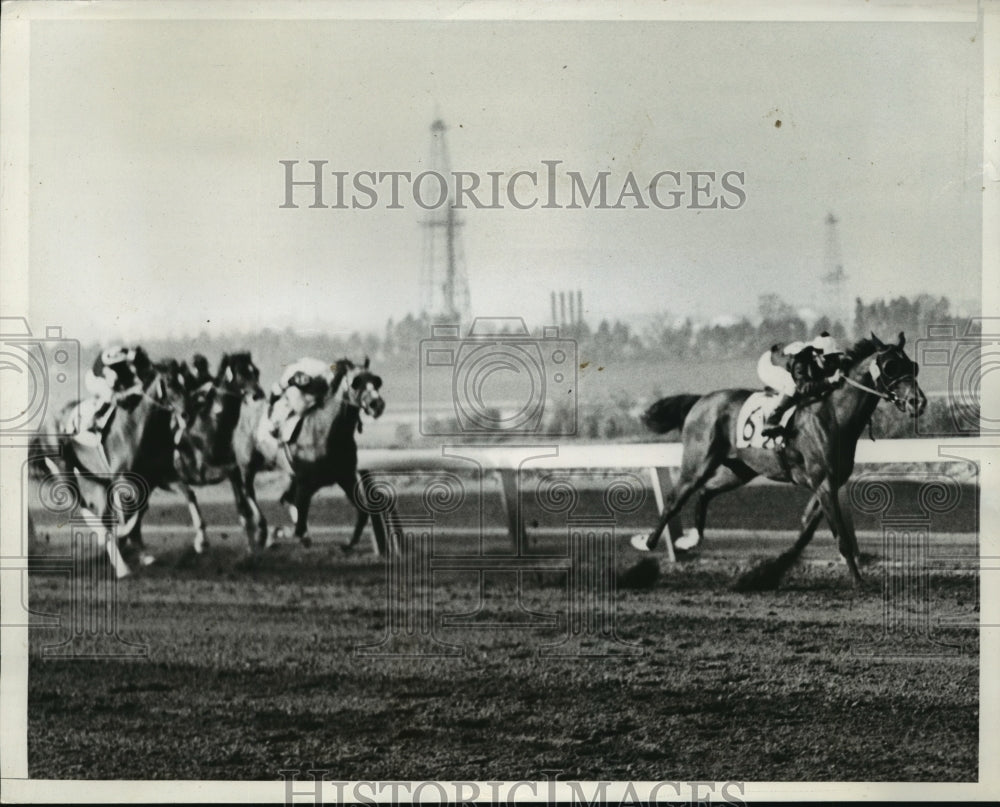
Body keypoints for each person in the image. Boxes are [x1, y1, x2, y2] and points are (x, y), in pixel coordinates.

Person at [758, 331, 845, 438]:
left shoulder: (820, 357)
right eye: (828, 358)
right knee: (792, 385)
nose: (832, 363)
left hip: (784, 357)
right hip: (768, 366)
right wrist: (829, 381)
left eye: (834, 357)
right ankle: (771, 420)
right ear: (815, 355)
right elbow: (803, 388)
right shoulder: (800, 362)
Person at [80, 345, 144, 433]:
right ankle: (93, 421)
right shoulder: (110, 368)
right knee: (109, 396)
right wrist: (132, 390)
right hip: (94, 380)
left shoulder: (122, 357)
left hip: (108, 376)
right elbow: (115, 396)